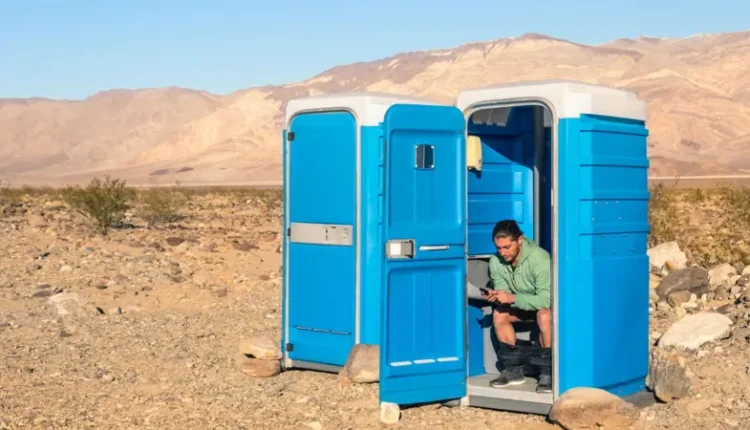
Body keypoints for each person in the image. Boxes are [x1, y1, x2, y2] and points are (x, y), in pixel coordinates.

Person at [482, 219, 552, 393]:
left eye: (507, 247)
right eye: (499, 248)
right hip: (520, 305)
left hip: (544, 307)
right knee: (499, 314)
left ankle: (548, 372)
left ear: (519, 240)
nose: (503, 252)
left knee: (544, 316)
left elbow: (545, 300)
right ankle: (513, 370)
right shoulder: (496, 261)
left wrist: (512, 298)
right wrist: (496, 297)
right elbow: (504, 292)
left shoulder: (540, 259)